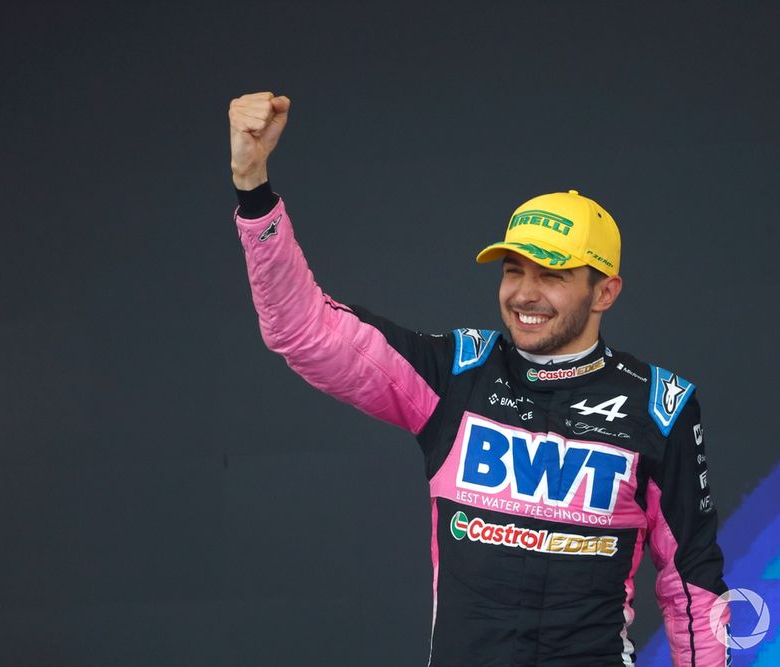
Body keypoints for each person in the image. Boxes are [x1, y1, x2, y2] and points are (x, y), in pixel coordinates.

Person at [229, 91, 731, 666]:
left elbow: (690, 583)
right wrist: (253, 189)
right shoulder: (454, 374)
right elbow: (303, 331)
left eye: (552, 275)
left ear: (605, 291)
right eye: (514, 271)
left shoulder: (659, 404)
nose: (524, 294)